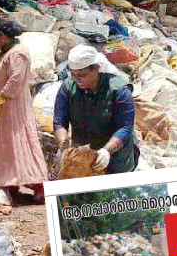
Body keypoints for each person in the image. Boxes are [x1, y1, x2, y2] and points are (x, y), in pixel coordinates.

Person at [0, 19, 48, 202]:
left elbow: (16, 78)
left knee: (19, 143)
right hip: (3, 110)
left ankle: (39, 186)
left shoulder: (18, 53)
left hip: (12, 108)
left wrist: (2, 97)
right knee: (7, 147)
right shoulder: (5, 52)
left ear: (4, 36)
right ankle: (11, 184)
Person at [53, 45, 139, 174]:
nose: (77, 79)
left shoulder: (119, 90)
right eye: (74, 74)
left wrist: (106, 151)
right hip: (85, 152)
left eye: (82, 74)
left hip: (115, 155)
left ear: (96, 70)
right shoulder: (67, 88)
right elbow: (59, 122)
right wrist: (64, 148)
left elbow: (125, 127)